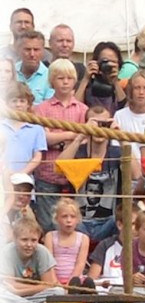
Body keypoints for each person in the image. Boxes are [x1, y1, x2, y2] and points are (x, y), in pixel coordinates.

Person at [33, 58, 88, 225]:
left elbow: (85, 139)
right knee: (48, 224)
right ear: (51, 81)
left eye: (69, 78)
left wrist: (57, 140)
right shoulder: (42, 109)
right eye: (60, 78)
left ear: (75, 81)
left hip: (74, 178)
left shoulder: (82, 109)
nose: (65, 82)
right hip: (47, 175)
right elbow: (42, 138)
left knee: (73, 224)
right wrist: (72, 135)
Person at [5, 208, 55, 302]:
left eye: (33, 240)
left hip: (22, 294)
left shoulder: (42, 252)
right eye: (24, 240)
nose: (29, 245)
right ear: (15, 239)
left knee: (57, 291)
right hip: (15, 294)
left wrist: (19, 292)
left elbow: (49, 284)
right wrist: (39, 287)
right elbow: (9, 284)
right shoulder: (6, 252)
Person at [45, 195, 93, 290]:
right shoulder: (50, 236)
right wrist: (56, 283)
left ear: (78, 219)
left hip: (75, 281)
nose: (68, 220)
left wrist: (70, 284)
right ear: (57, 218)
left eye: (72, 217)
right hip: (54, 280)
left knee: (88, 282)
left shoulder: (83, 238)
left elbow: (80, 264)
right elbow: (48, 263)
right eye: (64, 216)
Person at [14, 30, 50, 103]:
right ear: (19, 50)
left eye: (36, 50)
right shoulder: (9, 72)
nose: (32, 54)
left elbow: (49, 109)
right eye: (27, 49)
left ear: (43, 51)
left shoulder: (50, 77)